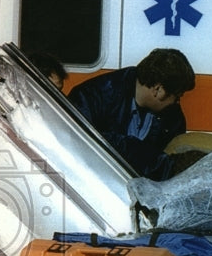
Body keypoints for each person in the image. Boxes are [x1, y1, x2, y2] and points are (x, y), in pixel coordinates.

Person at [68, 48, 196, 181]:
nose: (177, 103)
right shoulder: (93, 96)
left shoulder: (173, 118)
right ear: (158, 89)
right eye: (177, 97)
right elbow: (79, 144)